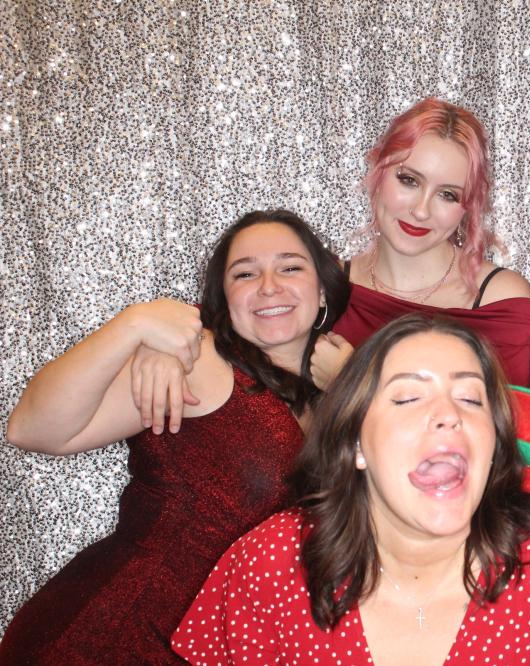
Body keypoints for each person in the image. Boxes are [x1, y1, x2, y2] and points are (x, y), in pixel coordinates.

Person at [171, 315, 530, 665]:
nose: (448, 414)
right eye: (408, 397)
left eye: (470, 398)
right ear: (355, 444)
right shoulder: (271, 562)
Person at [0, 209, 350, 664]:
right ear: (225, 298)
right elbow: (31, 429)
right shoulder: (199, 361)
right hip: (117, 636)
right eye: (245, 273)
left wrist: (352, 385)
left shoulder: (337, 394)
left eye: (290, 267)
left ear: (322, 288)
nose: (268, 286)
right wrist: (134, 324)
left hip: (228, 649)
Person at [330, 97, 530, 387]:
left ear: (468, 206)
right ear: (378, 171)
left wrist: (345, 378)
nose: (421, 211)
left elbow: (508, 414)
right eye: (409, 180)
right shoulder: (327, 284)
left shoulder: (498, 298)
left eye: (447, 195)